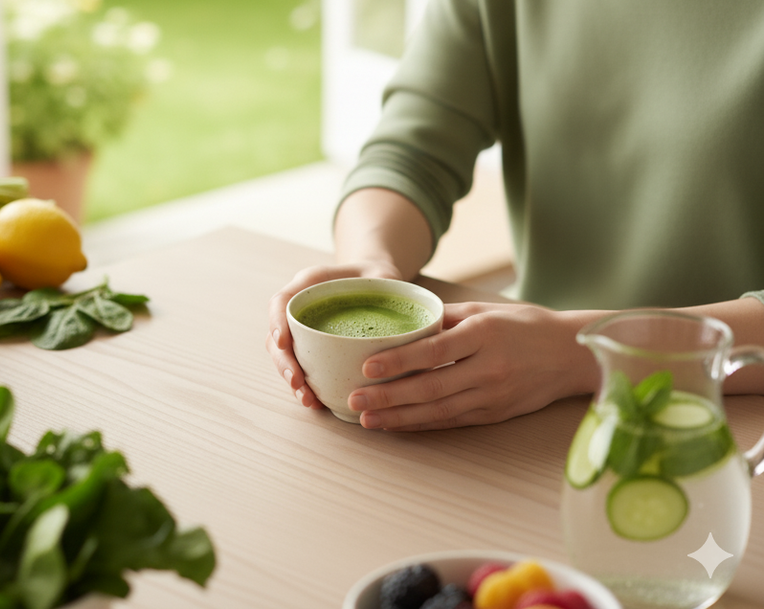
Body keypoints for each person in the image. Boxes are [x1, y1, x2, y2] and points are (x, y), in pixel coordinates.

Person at [267, 0, 764, 431]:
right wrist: (370, 261)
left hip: (721, 424)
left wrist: (579, 354)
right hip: (515, 397)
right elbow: (411, 151)